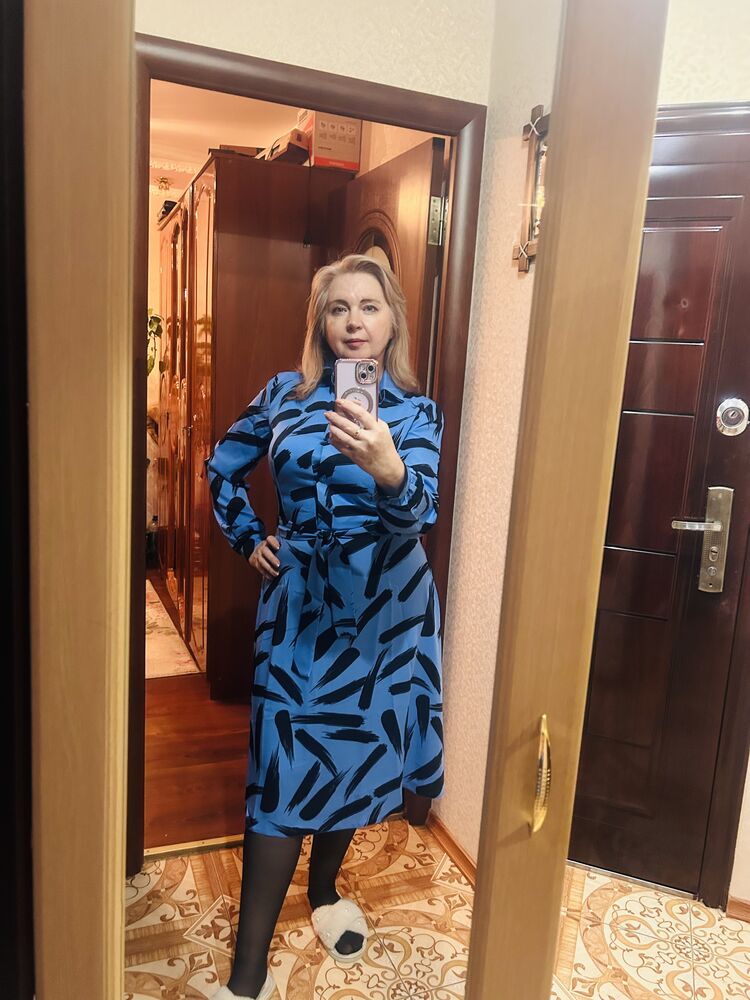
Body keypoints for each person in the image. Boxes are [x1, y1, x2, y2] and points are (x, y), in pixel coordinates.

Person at [207, 253, 445, 1000]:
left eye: (369, 306)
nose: (354, 322)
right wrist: (249, 538)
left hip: (387, 616)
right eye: (338, 307)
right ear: (321, 322)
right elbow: (222, 467)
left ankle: (323, 893)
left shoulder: (416, 413)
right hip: (301, 610)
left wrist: (390, 468)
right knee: (281, 773)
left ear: (392, 320)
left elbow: (421, 515)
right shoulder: (284, 394)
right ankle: (247, 978)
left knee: (355, 757)